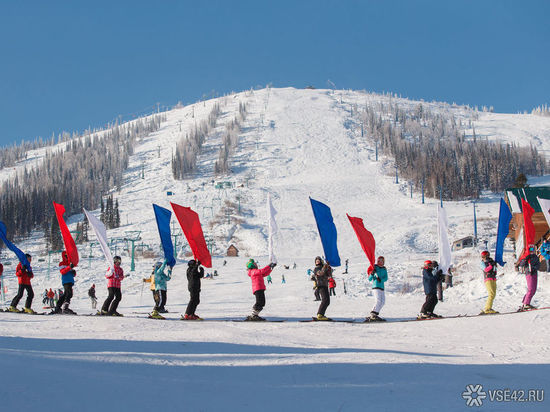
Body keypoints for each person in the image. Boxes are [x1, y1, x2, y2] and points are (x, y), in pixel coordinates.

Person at [518, 245, 540, 310]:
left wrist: (534, 268)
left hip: (534, 273)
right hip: (529, 273)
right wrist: (525, 259)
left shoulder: (535, 257)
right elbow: (521, 264)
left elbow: (538, 265)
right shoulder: (526, 256)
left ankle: (526, 302)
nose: (532, 251)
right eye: (530, 250)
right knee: (530, 289)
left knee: (534, 289)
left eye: (533, 249)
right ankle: (526, 303)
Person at [367, 256, 388, 321]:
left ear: (383, 262)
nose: (379, 262)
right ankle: (373, 314)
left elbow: (386, 278)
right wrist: (372, 273)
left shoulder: (384, 269)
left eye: (381, 261)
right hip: (375, 286)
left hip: (381, 287)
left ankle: (375, 314)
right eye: (378, 260)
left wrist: (381, 280)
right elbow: (369, 279)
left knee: (383, 302)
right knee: (378, 301)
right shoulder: (374, 267)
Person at [311, 256, 332, 321]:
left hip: (325, 285)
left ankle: (321, 314)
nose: (317, 261)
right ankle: (320, 314)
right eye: (316, 261)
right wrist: (325, 267)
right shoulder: (316, 268)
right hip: (320, 285)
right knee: (325, 300)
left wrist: (328, 268)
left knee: (327, 301)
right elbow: (320, 273)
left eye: (318, 260)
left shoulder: (323, 267)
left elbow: (329, 275)